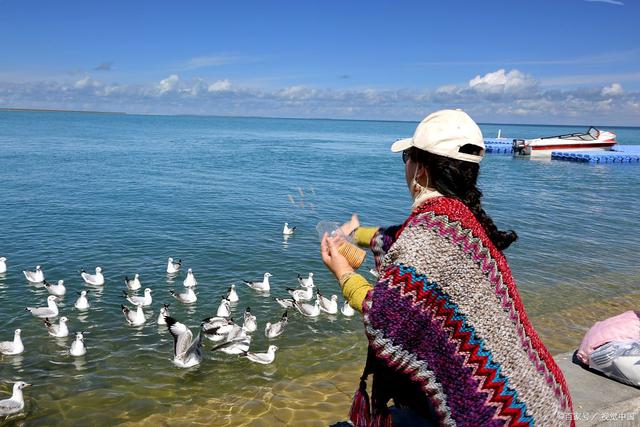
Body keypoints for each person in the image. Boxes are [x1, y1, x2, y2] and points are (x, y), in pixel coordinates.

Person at [321, 109, 575, 426]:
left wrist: (343, 272)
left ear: (421, 171)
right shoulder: (456, 220)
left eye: (407, 159)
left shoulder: (428, 235)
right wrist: (352, 235)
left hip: (498, 416)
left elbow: (383, 317)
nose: (406, 168)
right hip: (547, 401)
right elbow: (398, 240)